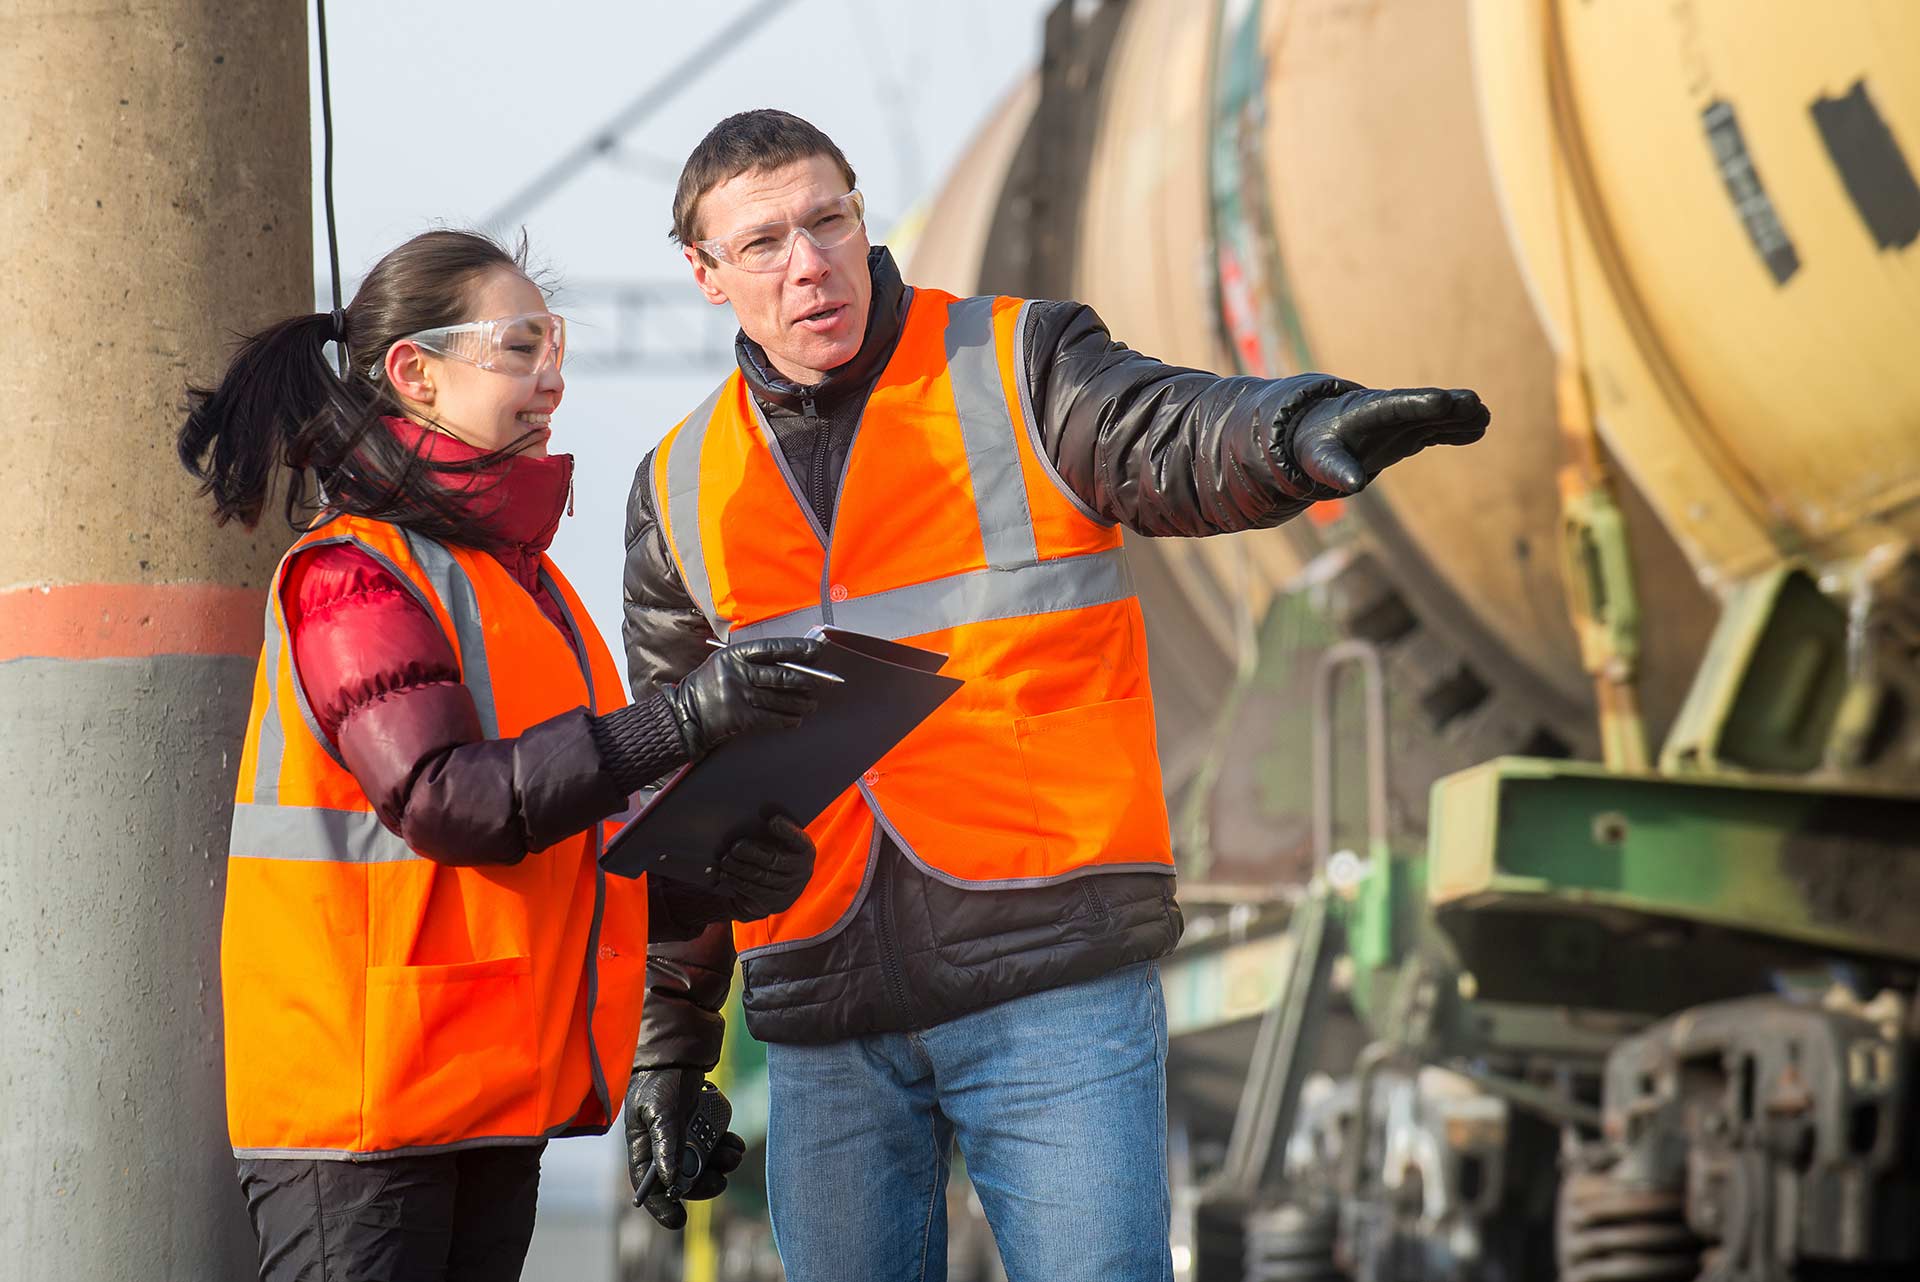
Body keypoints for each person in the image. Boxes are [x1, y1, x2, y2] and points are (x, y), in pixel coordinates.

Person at [620, 111, 1489, 1279]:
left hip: (1048, 979)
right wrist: (671, 1051)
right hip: (824, 1015)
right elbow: (683, 795)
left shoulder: (1015, 361)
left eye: (827, 220)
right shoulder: (678, 486)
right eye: (764, 241)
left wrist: (1291, 428)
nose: (808, 262)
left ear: (861, 214)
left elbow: (1163, 429)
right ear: (706, 274)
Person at [178, 228, 826, 1282]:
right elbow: (447, 802)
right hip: (364, 1107)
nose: (552, 384)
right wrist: (680, 723)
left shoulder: (532, 589)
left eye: (554, 347)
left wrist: (702, 890)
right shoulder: (354, 575)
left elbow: (552, 843)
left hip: (483, 1093)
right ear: (414, 371)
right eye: (520, 349)